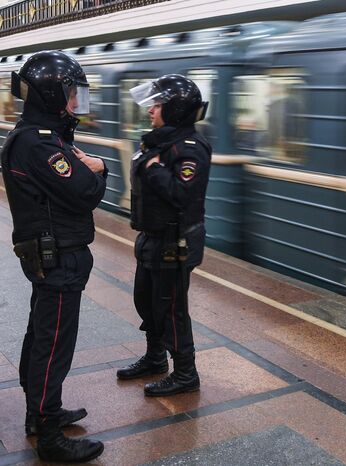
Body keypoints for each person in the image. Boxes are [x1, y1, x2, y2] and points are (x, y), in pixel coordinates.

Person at [0, 51, 107, 462]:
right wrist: (99, 170)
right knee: (54, 341)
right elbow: (84, 193)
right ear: (50, 94)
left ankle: (39, 410)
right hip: (58, 256)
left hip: (53, 253)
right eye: (70, 93)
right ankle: (48, 432)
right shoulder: (39, 143)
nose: (76, 103)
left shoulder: (40, 135)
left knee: (43, 334)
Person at [115, 75, 211, 398]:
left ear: (175, 110)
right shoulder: (159, 142)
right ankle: (156, 357)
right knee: (145, 300)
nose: (150, 110)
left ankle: (186, 372)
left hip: (175, 242)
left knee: (171, 309)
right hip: (152, 236)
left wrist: (155, 170)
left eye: (157, 105)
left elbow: (182, 194)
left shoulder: (191, 149)